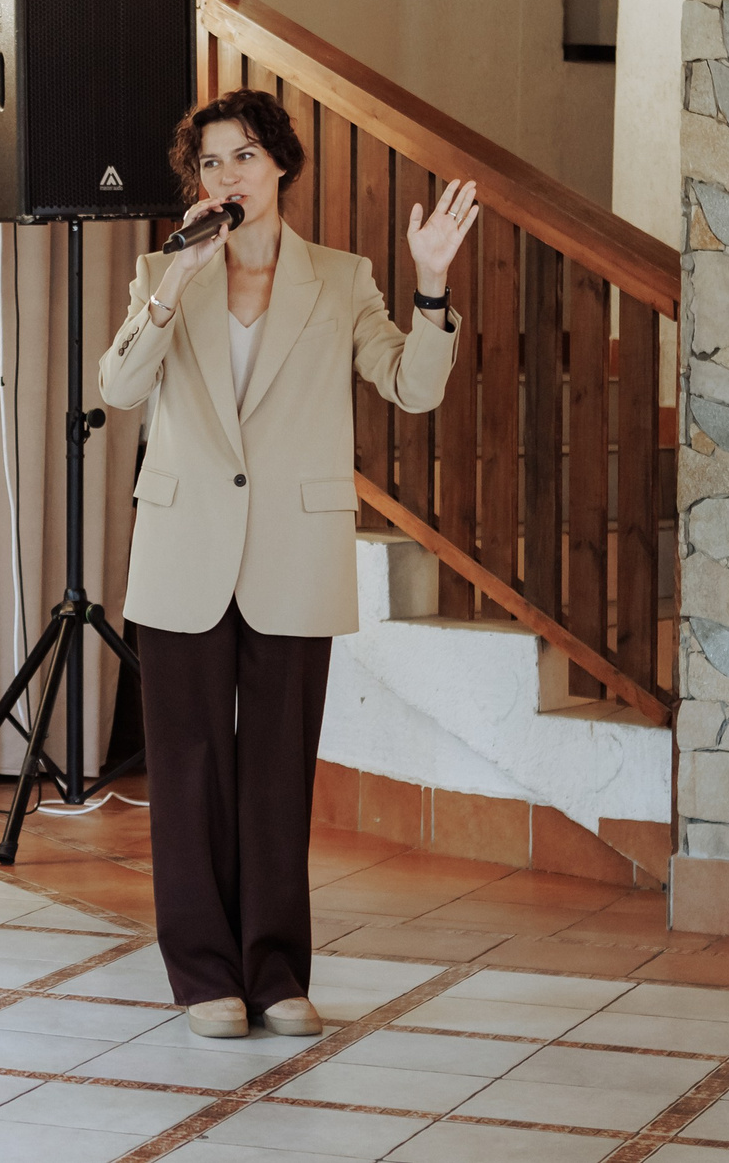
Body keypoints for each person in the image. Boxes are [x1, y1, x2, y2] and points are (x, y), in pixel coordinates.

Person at [97, 89, 475, 1041]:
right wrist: (176, 282)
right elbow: (119, 387)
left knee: (275, 775)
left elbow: (413, 388)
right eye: (212, 162)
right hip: (184, 551)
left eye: (246, 157)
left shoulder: (341, 279)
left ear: (281, 168)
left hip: (293, 554)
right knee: (185, 771)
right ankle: (203, 980)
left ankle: (274, 974)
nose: (228, 177)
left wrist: (431, 287)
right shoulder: (162, 270)